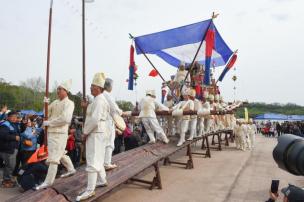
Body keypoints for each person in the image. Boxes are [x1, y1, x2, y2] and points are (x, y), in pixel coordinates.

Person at [35, 80, 76, 190]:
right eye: (57, 88)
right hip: (51, 132)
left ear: (66, 91)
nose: (58, 91)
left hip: (59, 132)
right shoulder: (55, 102)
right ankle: (71, 169)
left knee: (53, 158)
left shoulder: (69, 103)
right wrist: (46, 104)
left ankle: (48, 181)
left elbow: (66, 119)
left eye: (60, 89)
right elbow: (46, 113)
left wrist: (50, 123)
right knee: (60, 153)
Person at [76, 72, 109, 201]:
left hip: (95, 132)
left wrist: (85, 132)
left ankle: (90, 190)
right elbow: (93, 114)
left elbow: (95, 119)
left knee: (92, 160)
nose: (90, 88)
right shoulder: (97, 100)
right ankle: (102, 180)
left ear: (98, 88)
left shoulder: (100, 100)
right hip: (98, 132)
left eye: (92, 86)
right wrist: (86, 106)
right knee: (98, 159)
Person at [103, 78, 125, 171]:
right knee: (109, 143)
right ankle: (106, 163)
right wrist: (121, 112)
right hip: (107, 121)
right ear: (109, 86)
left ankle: (103, 162)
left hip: (104, 121)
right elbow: (114, 107)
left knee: (104, 143)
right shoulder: (107, 95)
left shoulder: (100, 95)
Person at [0, 111, 20, 188]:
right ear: (8, 117)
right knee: (10, 166)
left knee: (9, 165)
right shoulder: (5, 125)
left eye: (16, 117)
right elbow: (2, 135)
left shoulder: (14, 124)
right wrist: (14, 137)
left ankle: (7, 180)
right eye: (13, 117)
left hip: (12, 148)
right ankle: (6, 181)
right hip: (8, 149)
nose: (15, 118)